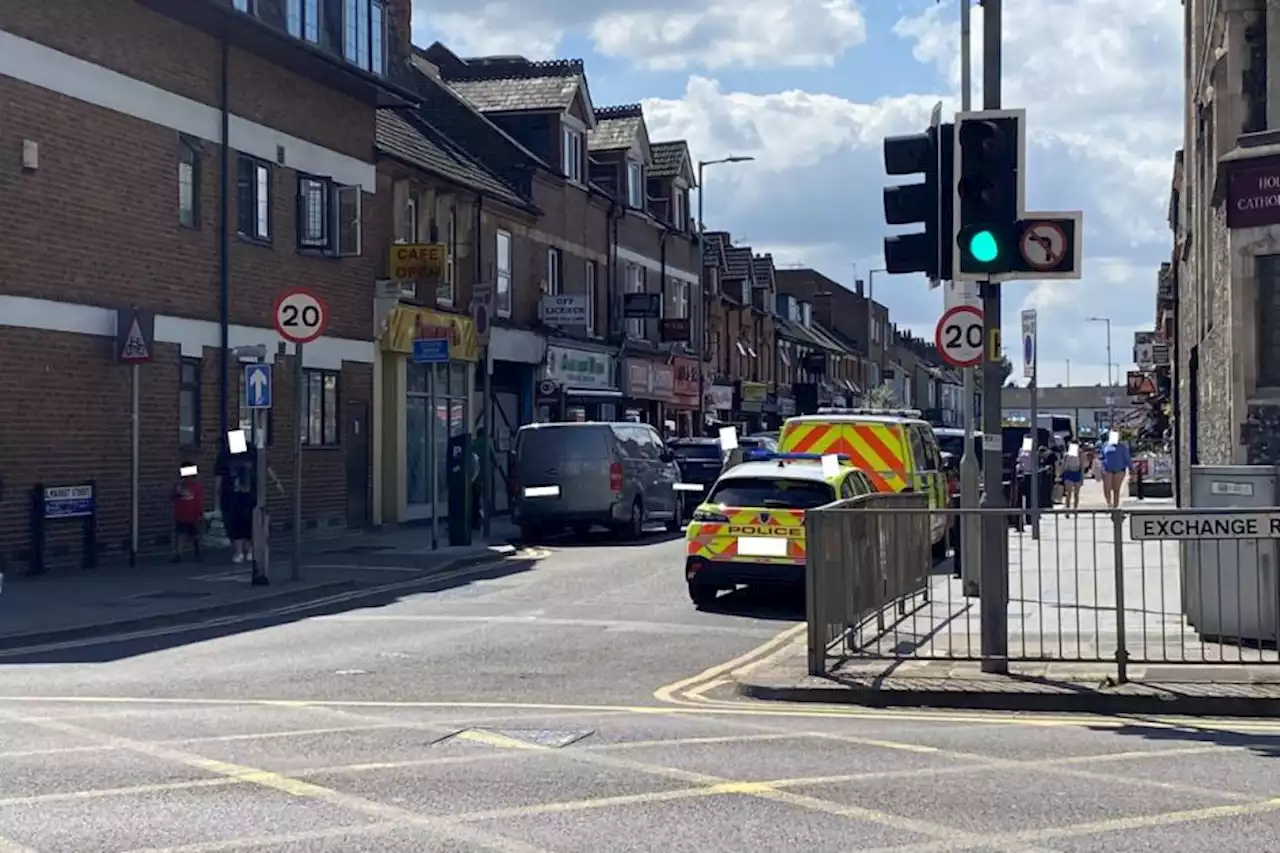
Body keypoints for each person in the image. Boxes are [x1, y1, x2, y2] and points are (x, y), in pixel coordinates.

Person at [171, 464, 204, 563]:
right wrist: (199, 514)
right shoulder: (196, 487)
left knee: (180, 535)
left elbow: (173, 498)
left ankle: (179, 553)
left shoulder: (179, 486)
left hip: (181, 514)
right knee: (194, 535)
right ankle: (197, 553)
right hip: (192, 515)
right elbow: (199, 502)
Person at [1099, 432, 1131, 509]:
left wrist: (1131, 468)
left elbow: (1127, 458)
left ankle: (1115, 507)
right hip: (1107, 469)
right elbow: (1101, 456)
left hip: (1119, 469)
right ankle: (1109, 504)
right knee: (1107, 488)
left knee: (1116, 489)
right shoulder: (1105, 445)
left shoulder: (1122, 447)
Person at [1061, 446, 1084, 512]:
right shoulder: (1066, 454)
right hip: (1068, 473)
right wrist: (1060, 474)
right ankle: (1067, 510)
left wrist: (1082, 477)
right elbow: (1063, 464)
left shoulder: (1079, 453)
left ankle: (1075, 509)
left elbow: (1082, 465)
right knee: (1069, 493)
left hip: (1077, 473)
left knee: (1076, 494)